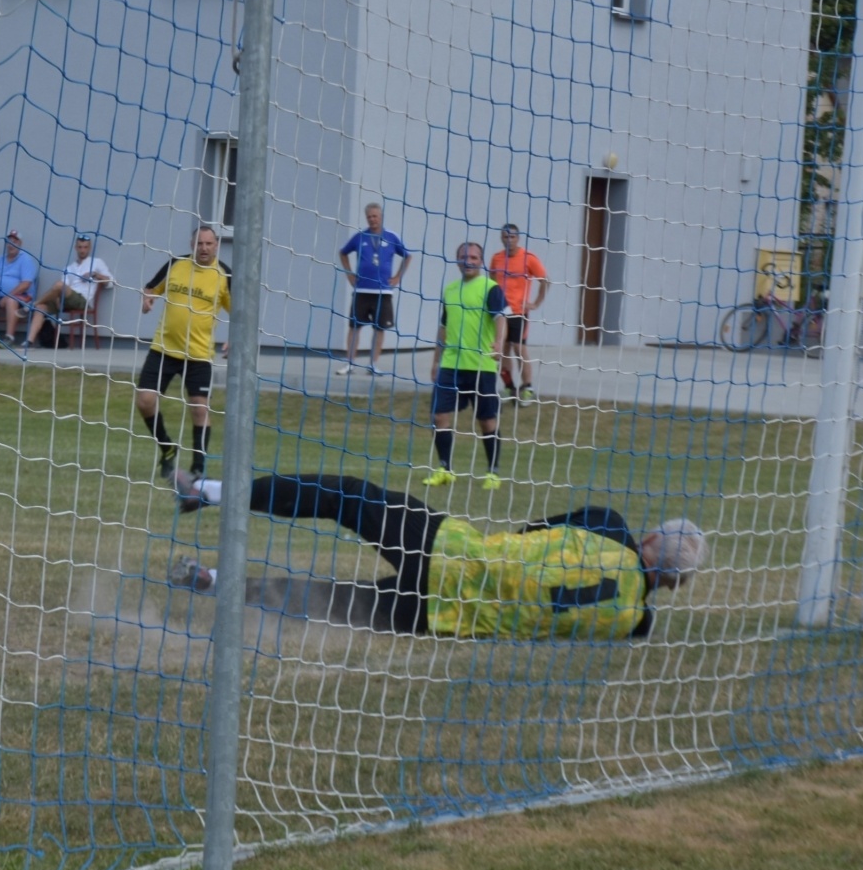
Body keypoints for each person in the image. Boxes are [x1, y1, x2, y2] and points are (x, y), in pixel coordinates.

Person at [170, 473, 705, 641]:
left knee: (345, 496)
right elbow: (644, 621)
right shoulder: (632, 621)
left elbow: (533, 532)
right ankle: (212, 581)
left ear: (650, 540)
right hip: (448, 618)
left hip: (449, 552)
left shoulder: (610, 527)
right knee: (332, 601)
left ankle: (208, 491)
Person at [138, 225, 232, 481]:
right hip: (163, 349)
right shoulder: (176, 264)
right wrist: (147, 299)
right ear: (192, 245)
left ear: (216, 245)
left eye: (209, 244)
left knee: (199, 409)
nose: (204, 248)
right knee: (145, 401)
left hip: (199, 355)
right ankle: (167, 447)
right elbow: (150, 288)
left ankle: (198, 467)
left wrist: (234, 338)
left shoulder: (225, 275)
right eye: (199, 243)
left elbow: (241, 312)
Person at [424, 241, 507, 489]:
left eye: (473, 257)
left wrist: (499, 343)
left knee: (487, 420)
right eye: (463, 257)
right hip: (451, 364)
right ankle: (445, 469)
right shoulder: (450, 290)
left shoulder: (491, 288)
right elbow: (444, 327)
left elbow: (501, 318)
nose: (468, 261)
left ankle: (492, 473)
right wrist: (436, 360)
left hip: (481, 366)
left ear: (480, 261)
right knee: (439, 415)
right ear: (457, 259)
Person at [336, 202, 411, 375]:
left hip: (383, 292)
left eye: (375, 216)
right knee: (354, 327)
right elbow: (343, 253)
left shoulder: (391, 237)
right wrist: (349, 274)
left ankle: (373, 364)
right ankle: (350, 364)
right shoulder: (360, 237)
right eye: (369, 217)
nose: (372, 219)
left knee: (379, 329)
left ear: (381, 216)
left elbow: (407, 256)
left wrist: (398, 277)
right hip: (362, 291)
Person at [487, 223, 548, 402]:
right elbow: (492, 281)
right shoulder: (497, 258)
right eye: (506, 237)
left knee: (519, 348)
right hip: (501, 313)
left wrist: (535, 303)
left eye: (512, 237)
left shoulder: (528, 258)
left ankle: (527, 387)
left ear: (518, 238)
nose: (509, 240)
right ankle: (509, 387)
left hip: (519, 313)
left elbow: (545, 280)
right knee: (502, 349)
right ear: (501, 238)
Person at [24, 233, 113, 351]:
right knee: (41, 307)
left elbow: (110, 282)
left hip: (83, 300)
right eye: (80, 247)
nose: (82, 250)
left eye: (85, 247)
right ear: (76, 248)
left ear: (89, 248)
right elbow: (61, 287)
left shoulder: (96, 262)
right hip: (66, 298)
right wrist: (57, 298)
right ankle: (29, 342)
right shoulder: (69, 268)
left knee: (59, 285)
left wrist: (95, 274)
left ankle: (32, 304)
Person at [0, 230, 39, 346]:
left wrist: (7, 296)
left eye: (14, 242)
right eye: (9, 242)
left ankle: (9, 337)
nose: (11, 244)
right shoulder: (0, 259)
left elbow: (26, 284)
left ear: (20, 243)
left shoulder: (25, 259)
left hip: (23, 296)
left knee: (10, 300)